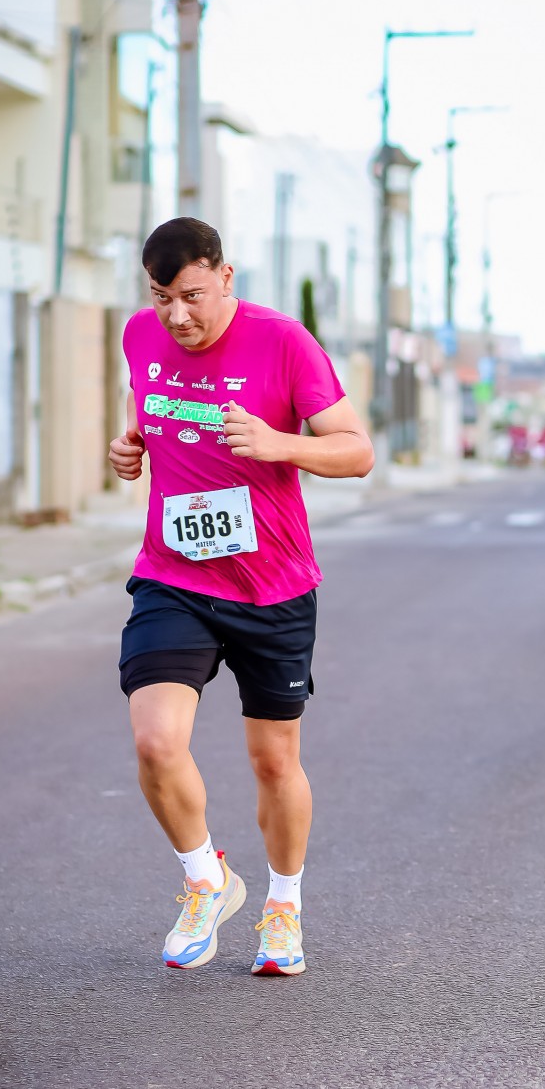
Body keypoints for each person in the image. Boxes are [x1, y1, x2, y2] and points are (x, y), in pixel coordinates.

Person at [109, 217, 374, 973]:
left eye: (191, 295)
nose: (176, 315)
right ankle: (207, 881)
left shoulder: (284, 342)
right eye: (161, 296)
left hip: (271, 587)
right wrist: (131, 446)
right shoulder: (140, 335)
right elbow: (149, 409)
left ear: (225, 277)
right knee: (155, 741)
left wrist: (279, 443)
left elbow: (357, 450)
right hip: (174, 574)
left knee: (273, 761)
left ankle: (283, 905)